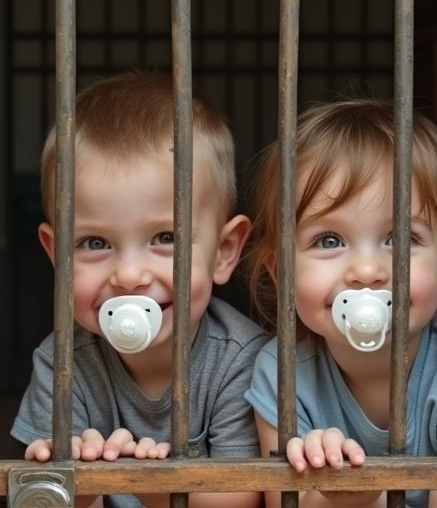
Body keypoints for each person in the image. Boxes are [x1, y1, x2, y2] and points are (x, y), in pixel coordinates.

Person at [11, 71, 268, 508]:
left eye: (165, 238)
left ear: (225, 251)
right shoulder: (61, 364)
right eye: (95, 243)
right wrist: (77, 482)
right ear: (58, 257)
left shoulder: (242, 358)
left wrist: (150, 486)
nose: (129, 276)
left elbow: (239, 498)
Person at [244, 99, 437, 508]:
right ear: (280, 273)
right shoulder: (280, 371)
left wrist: (366, 499)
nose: (366, 270)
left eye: (400, 239)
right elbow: (284, 502)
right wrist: (346, 497)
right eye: (329, 241)